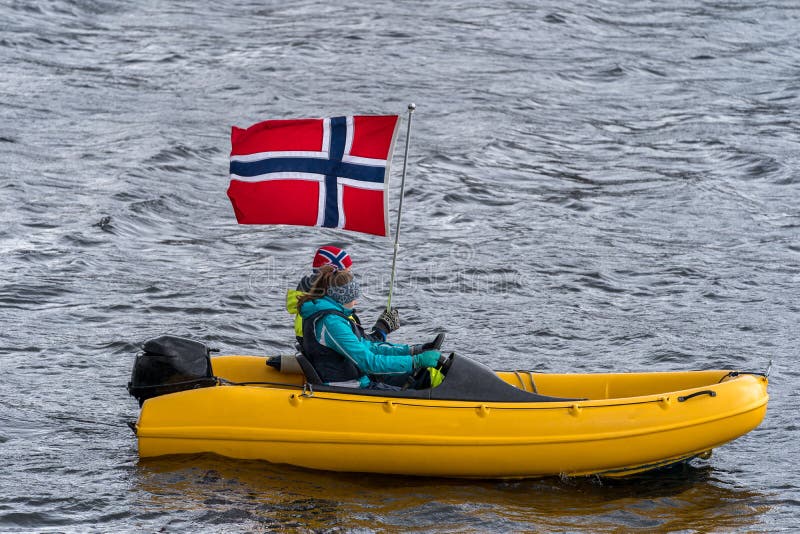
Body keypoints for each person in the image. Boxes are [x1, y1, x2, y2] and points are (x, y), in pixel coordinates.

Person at [298, 266, 443, 389]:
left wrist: (411, 351)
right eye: (353, 297)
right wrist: (415, 361)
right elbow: (369, 362)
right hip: (348, 387)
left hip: (358, 378)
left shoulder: (334, 316)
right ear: (343, 298)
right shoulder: (332, 323)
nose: (356, 302)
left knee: (419, 376)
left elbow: (368, 347)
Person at [286, 246, 399, 346]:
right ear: (335, 277)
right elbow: (360, 347)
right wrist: (382, 329)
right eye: (347, 273)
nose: (350, 278)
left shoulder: (308, 304)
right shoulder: (328, 313)